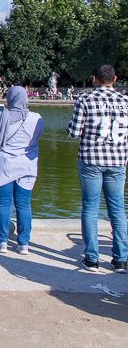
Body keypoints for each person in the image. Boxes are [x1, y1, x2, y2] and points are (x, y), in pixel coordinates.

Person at [67, 64, 128, 273]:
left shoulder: (85, 100)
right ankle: (120, 259)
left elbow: (74, 132)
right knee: (118, 210)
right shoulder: (125, 101)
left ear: (93, 79)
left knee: (90, 208)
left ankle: (92, 258)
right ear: (115, 79)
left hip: (91, 159)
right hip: (118, 160)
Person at [0, 87, 43, 254]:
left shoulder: (2, 116)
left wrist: (0, 121)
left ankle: (1, 242)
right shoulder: (36, 118)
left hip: (5, 165)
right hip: (26, 165)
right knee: (24, 204)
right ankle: (23, 243)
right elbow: (36, 138)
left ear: (10, 98)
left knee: (3, 203)